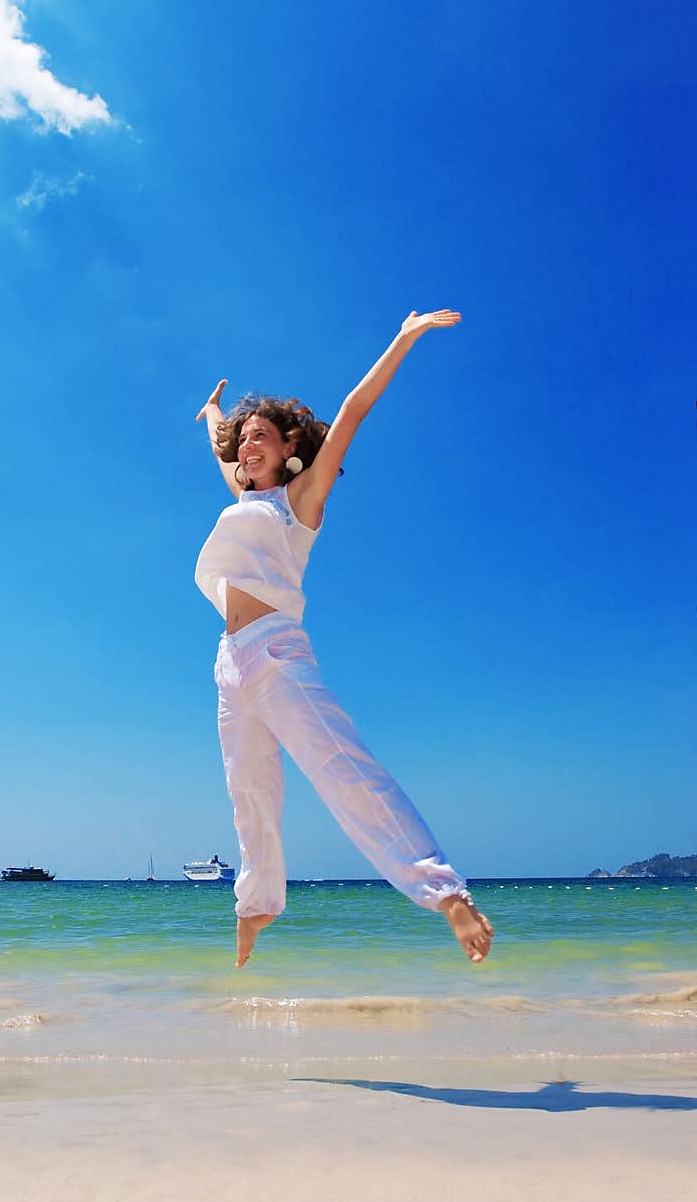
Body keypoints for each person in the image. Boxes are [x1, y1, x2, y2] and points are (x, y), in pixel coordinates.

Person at [195, 309, 494, 969]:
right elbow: (222, 449)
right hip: (229, 664)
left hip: (276, 652)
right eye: (242, 439)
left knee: (343, 771)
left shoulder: (298, 503)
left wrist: (403, 338)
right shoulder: (245, 498)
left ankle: (447, 895)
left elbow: (354, 411)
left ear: (289, 447)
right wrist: (212, 415)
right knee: (249, 793)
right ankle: (257, 905)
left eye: (263, 436)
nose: (249, 445)